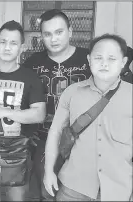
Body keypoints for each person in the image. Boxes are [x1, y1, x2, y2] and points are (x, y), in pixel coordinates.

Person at [43, 34, 132, 201]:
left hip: (120, 190)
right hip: (73, 188)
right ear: (89, 60)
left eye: (112, 58)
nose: (104, 63)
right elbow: (54, 132)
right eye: (98, 57)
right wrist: (48, 171)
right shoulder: (72, 92)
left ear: (123, 62)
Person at [23, 9, 92, 200]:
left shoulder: (89, 60)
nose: (53, 39)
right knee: (46, 191)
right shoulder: (32, 63)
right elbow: (22, 100)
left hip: (81, 141)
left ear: (70, 31)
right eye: (47, 34)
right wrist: (28, 133)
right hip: (43, 141)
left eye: (59, 32)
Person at [0, 20, 46, 201]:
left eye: (13, 43)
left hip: (17, 154)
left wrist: (4, 112)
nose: (7, 47)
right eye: (3, 42)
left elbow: (39, 114)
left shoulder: (30, 77)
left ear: (21, 47)